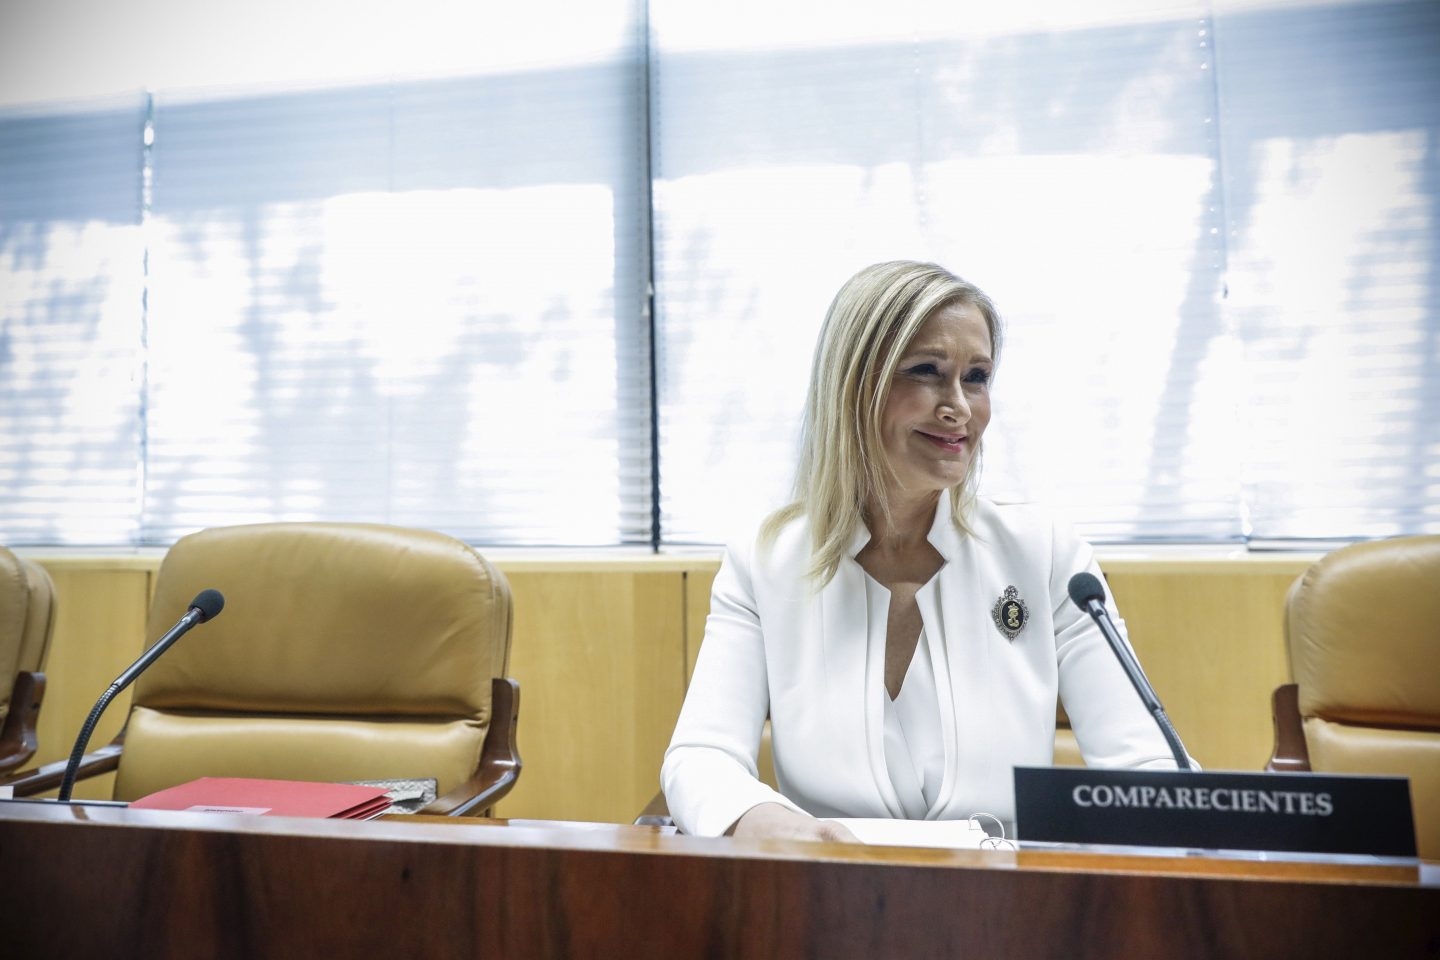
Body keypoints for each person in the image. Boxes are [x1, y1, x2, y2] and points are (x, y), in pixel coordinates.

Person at [661, 260, 1188, 843]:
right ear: (854, 384)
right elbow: (700, 757)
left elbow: (1147, 768)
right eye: (927, 372)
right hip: (830, 895)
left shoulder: (1045, 554)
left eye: (978, 376)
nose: (959, 406)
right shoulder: (766, 561)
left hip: (1004, 904)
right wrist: (768, 824)